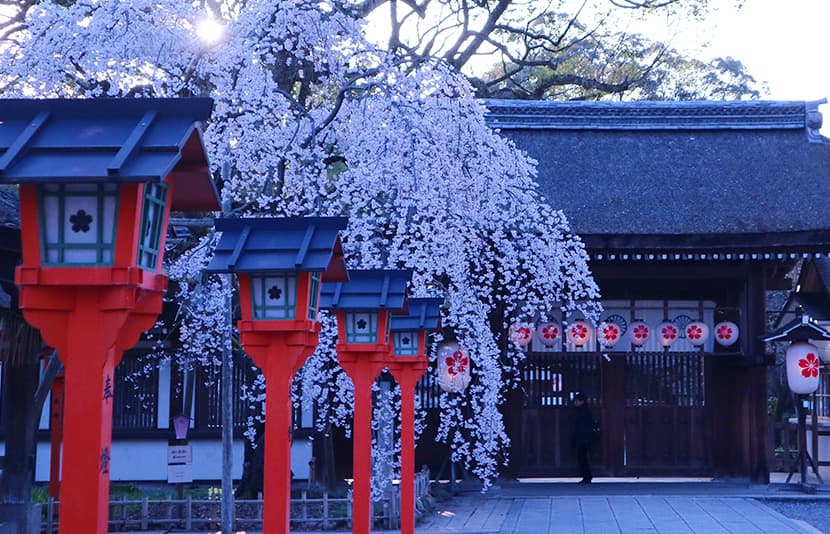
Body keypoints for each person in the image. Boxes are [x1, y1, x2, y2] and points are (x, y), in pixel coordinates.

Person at [572, 392, 596, 484]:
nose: (575, 402)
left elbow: (581, 426)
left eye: (576, 400)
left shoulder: (582, 412)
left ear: (581, 401)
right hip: (584, 437)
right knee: (582, 457)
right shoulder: (584, 411)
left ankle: (587, 476)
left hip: (583, 438)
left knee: (583, 457)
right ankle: (586, 476)